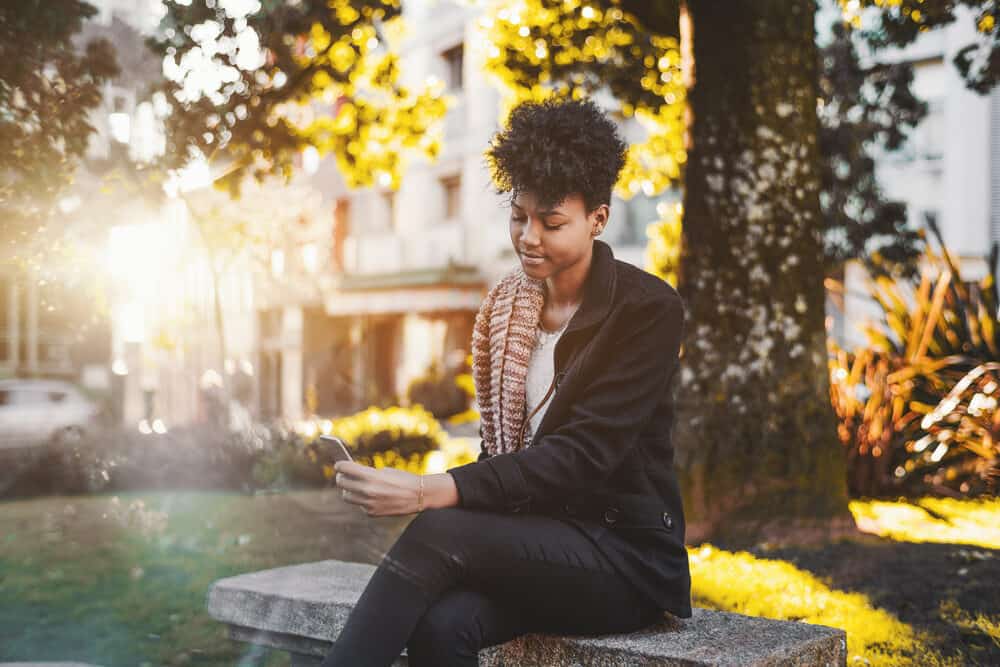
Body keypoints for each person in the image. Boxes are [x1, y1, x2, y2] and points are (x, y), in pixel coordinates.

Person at [323, 97, 691, 667]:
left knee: (438, 530)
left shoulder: (646, 310)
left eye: (551, 222)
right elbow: (502, 449)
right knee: (441, 628)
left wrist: (429, 490)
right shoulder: (505, 308)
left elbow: (582, 457)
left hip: (622, 561)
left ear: (597, 218)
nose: (529, 237)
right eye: (519, 216)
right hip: (535, 541)